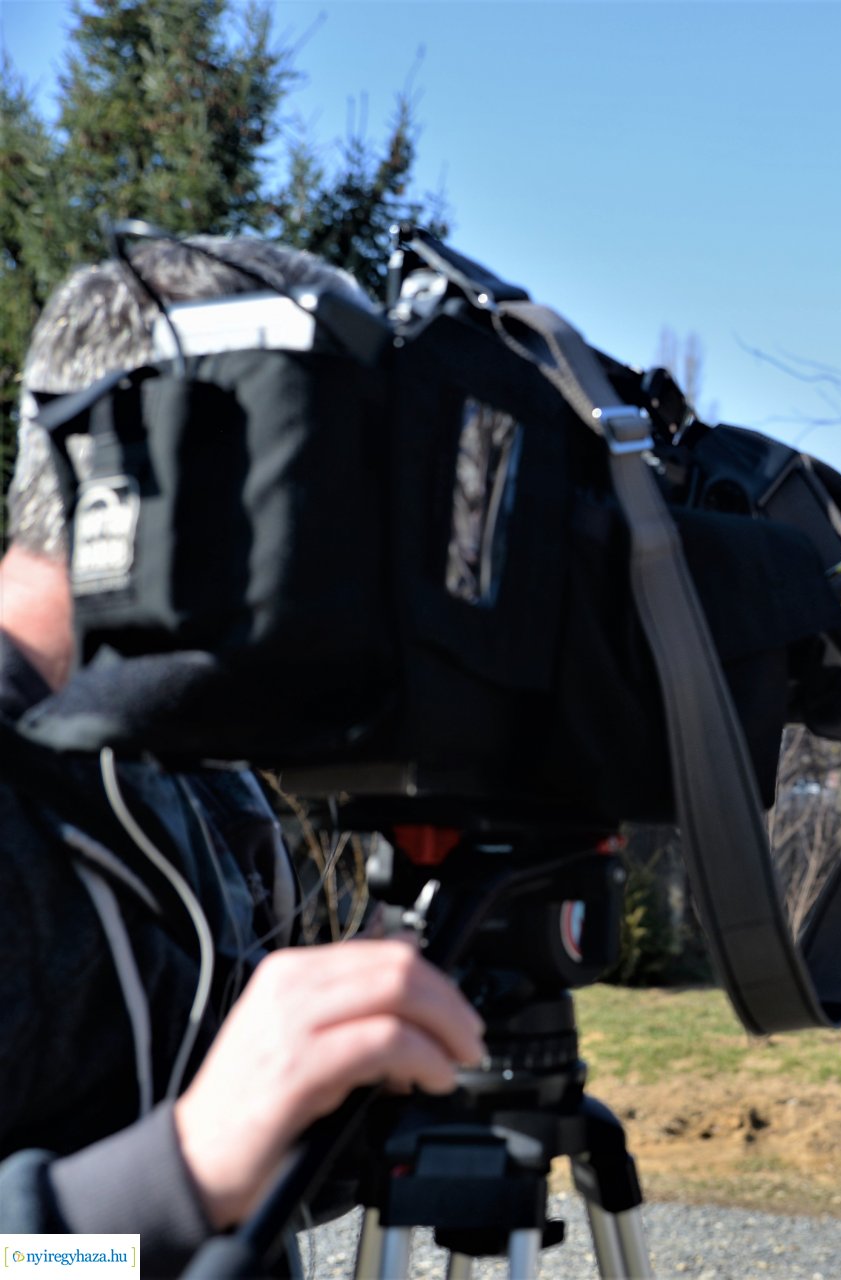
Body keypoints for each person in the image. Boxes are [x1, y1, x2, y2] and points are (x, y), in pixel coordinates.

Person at [0, 238, 487, 1274]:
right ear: (153, 456)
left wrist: (351, 1073)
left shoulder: (193, 773)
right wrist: (177, 1171)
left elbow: (245, 1159)